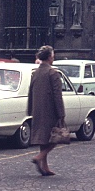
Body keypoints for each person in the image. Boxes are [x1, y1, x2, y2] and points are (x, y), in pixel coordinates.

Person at [27, 45, 66, 177]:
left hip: (37, 109)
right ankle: (39, 157)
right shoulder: (53, 73)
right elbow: (57, 95)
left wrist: (30, 109)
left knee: (43, 139)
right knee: (55, 138)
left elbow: (30, 92)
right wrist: (61, 113)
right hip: (50, 110)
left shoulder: (35, 72)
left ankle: (45, 166)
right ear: (50, 57)